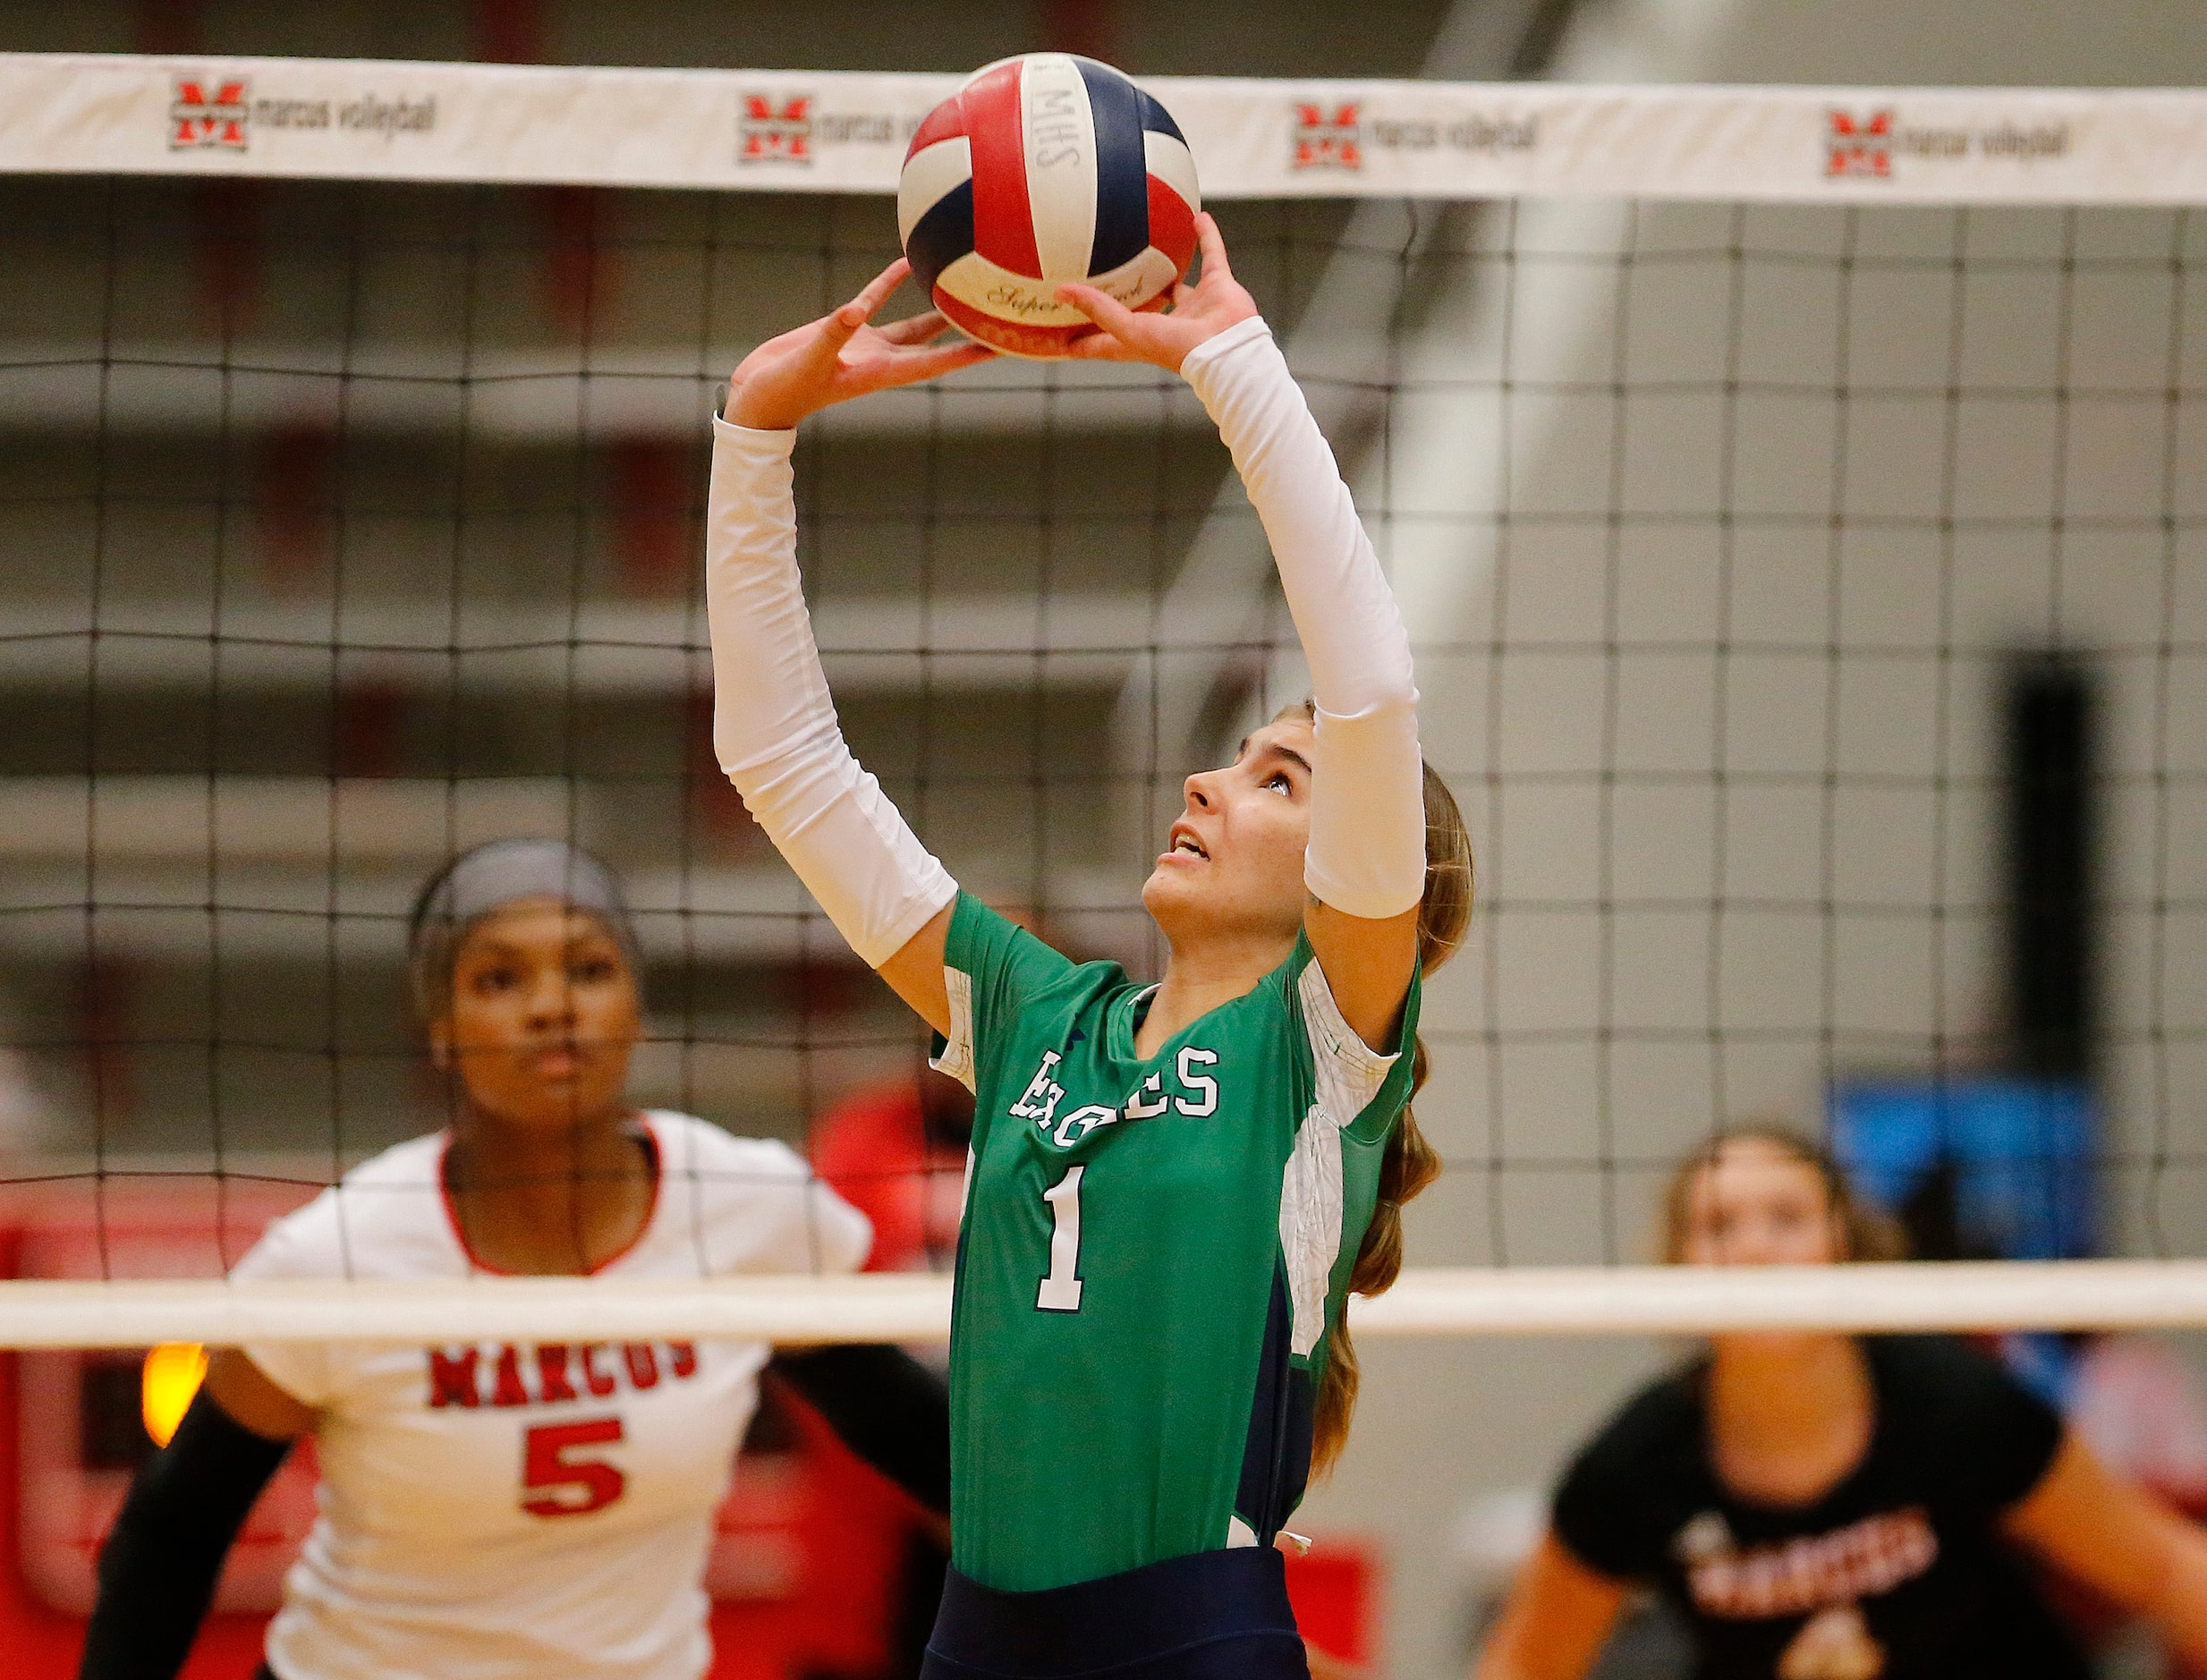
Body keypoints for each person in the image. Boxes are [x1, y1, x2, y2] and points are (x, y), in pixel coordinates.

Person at [706, 216, 1472, 1680]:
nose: (1207, 781)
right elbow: (783, 762)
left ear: (1355, 881)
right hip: (969, 1645)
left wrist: (1231, 364)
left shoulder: (1315, 1045)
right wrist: (756, 433)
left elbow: (1370, 688)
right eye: (1236, 754)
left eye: (1276, 781)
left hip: (1190, 1642)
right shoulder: (1026, 1009)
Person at [80, 838, 952, 1680]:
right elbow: (172, 1533)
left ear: (636, 1009)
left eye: (590, 969)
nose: (552, 1006)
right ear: (440, 1029)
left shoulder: (745, 1207)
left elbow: (921, 1441)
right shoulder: (343, 1256)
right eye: (500, 978)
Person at [1474, 1124, 2207, 1680]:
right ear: (1677, 1268)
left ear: (1842, 1244)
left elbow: (2164, 1571)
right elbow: (1523, 1668)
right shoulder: (1636, 1466)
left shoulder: (1957, 1408)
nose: (1755, 1248)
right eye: (1719, 1226)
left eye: (1786, 1218)